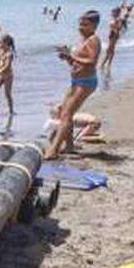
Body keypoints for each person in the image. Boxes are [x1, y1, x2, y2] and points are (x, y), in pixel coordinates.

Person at [45, 10, 102, 160]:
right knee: (62, 111)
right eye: (80, 24)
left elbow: (92, 62)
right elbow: (77, 62)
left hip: (86, 82)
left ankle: (53, 150)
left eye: (85, 24)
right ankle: (69, 146)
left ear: (94, 25)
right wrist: (67, 58)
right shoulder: (83, 40)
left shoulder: (93, 40)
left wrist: (72, 55)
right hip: (76, 81)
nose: (81, 27)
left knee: (66, 115)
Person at [0, 34, 16, 116]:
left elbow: (7, 65)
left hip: (8, 76)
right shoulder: (0, 51)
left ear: (6, 43)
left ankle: (11, 110)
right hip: (0, 75)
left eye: (1, 43)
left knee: (7, 94)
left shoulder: (9, 54)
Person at [101, 7, 123, 72]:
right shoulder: (116, 19)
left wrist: (115, 30)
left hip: (114, 35)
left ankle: (103, 64)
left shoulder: (117, 19)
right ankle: (108, 64)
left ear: (116, 13)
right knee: (111, 50)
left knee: (109, 50)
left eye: (113, 12)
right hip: (113, 35)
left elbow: (118, 28)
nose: (111, 13)